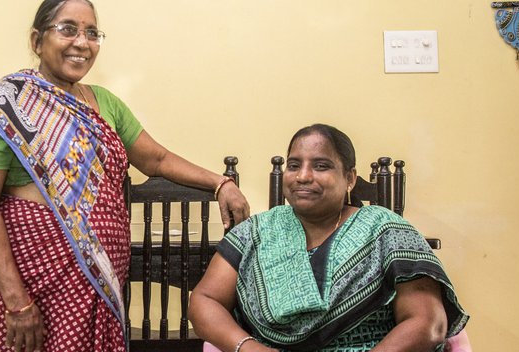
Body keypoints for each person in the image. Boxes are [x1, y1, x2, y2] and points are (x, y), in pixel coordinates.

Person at [0, 0, 249, 352]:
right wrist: (16, 300)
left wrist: (220, 183)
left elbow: (157, 159)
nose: (82, 43)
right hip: (33, 282)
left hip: (101, 278)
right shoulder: (5, 107)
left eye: (92, 33)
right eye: (68, 29)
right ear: (36, 40)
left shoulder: (104, 102)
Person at [188, 124, 468, 352]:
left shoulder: (386, 229)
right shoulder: (256, 231)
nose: (303, 176)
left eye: (321, 166)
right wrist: (249, 348)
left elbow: (427, 322)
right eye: (294, 165)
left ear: (350, 178)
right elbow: (205, 300)